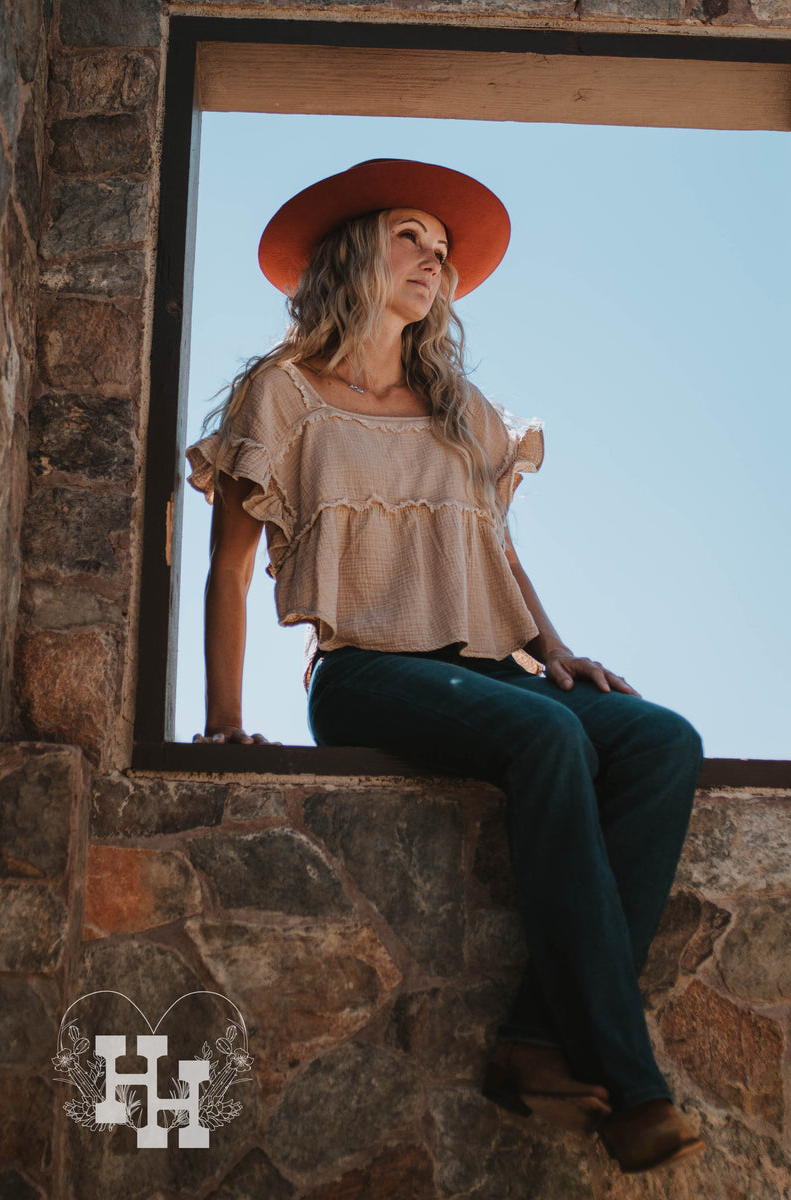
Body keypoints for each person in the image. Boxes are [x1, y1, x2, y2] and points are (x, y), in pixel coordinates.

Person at [187, 159, 704, 1174]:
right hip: (366, 673)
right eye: (409, 236)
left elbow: (494, 551)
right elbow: (229, 568)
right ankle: (630, 1083)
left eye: (441, 248)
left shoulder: (457, 407)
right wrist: (219, 717)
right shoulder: (281, 394)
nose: (432, 259)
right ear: (352, 253)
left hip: (496, 672)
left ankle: (529, 1038)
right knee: (547, 738)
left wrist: (555, 652)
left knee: (657, 742)